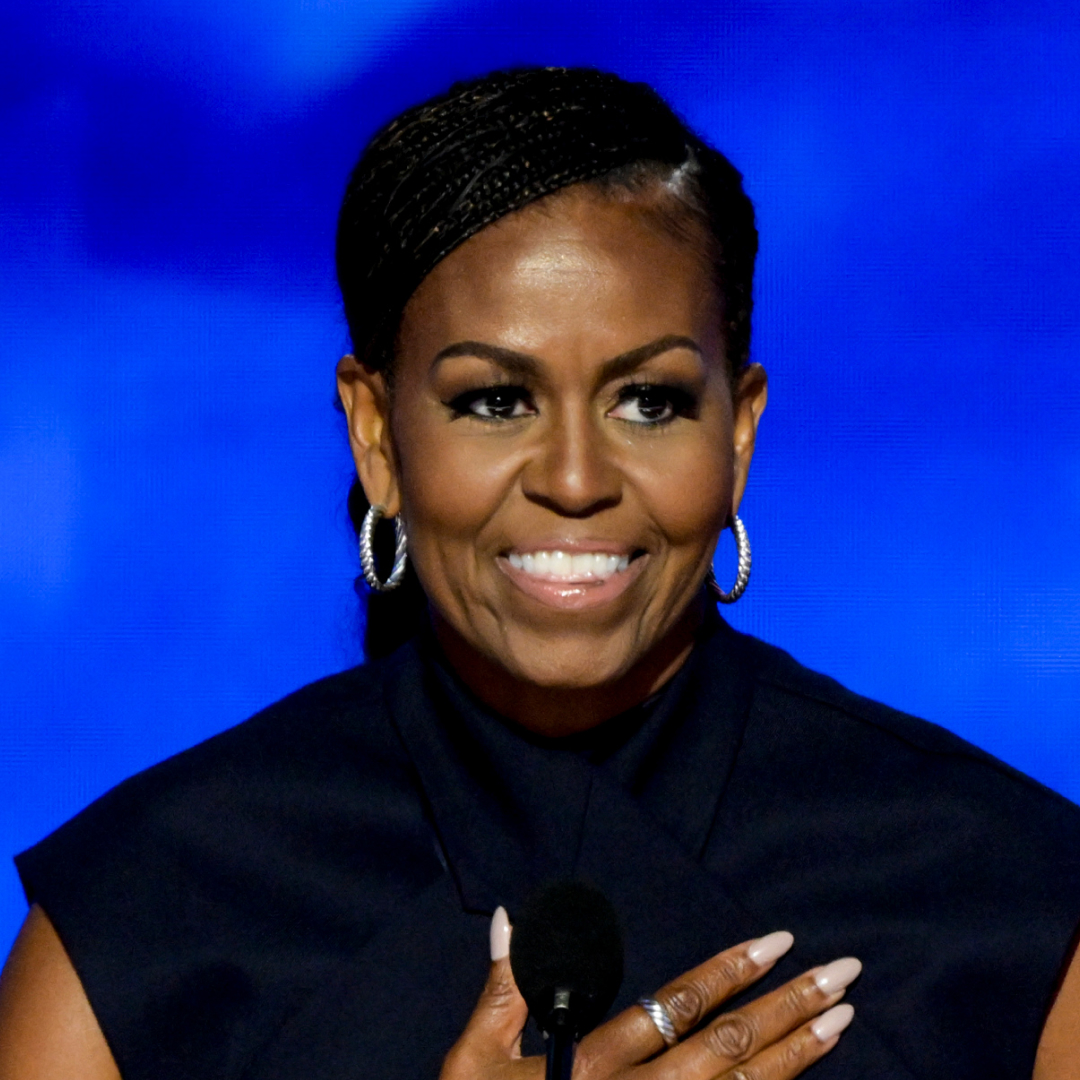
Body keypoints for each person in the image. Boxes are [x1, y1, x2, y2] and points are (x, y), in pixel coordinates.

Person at [0, 66, 1078, 1080]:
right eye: (494, 400)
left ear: (740, 434)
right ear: (377, 436)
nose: (574, 479)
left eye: (649, 401)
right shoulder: (142, 916)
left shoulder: (1011, 901)